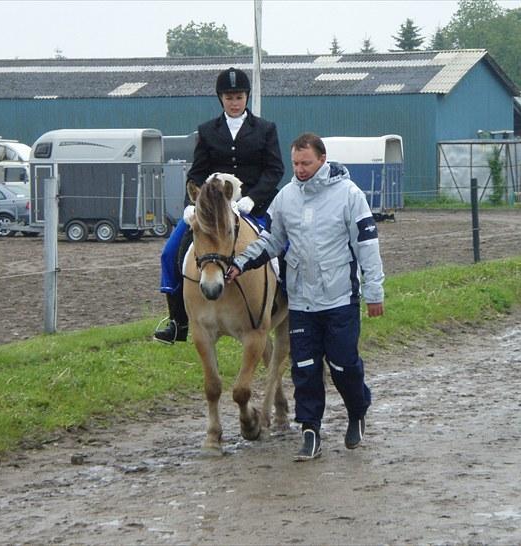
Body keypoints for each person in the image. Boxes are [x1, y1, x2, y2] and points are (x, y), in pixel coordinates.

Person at [226, 133, 385, 461]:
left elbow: (367, 246)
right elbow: (271, 240)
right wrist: (241, 262)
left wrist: (374, 292)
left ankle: (357, 411)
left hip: (340, 298)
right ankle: (310, 431)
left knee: (344, 366)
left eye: (306, 163)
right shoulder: (285, 198)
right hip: (302, 301)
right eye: (295, 163)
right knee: (305, 369)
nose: (299, 169)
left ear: (322, 160)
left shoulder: (349, 195)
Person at [153, 67, 285, 344]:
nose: (234, 102)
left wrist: (253, 198)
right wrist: (194, 203)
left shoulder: (265, 129)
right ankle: (178, 321)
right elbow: (196, 173)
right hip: (212, 210)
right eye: (229, 97)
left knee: (285, 249)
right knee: (170, 252)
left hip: (253, 208)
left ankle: (288, 302)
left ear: (246, 97)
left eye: (238, 97)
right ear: (221, 99)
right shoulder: (207, 131)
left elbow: (275, 170)